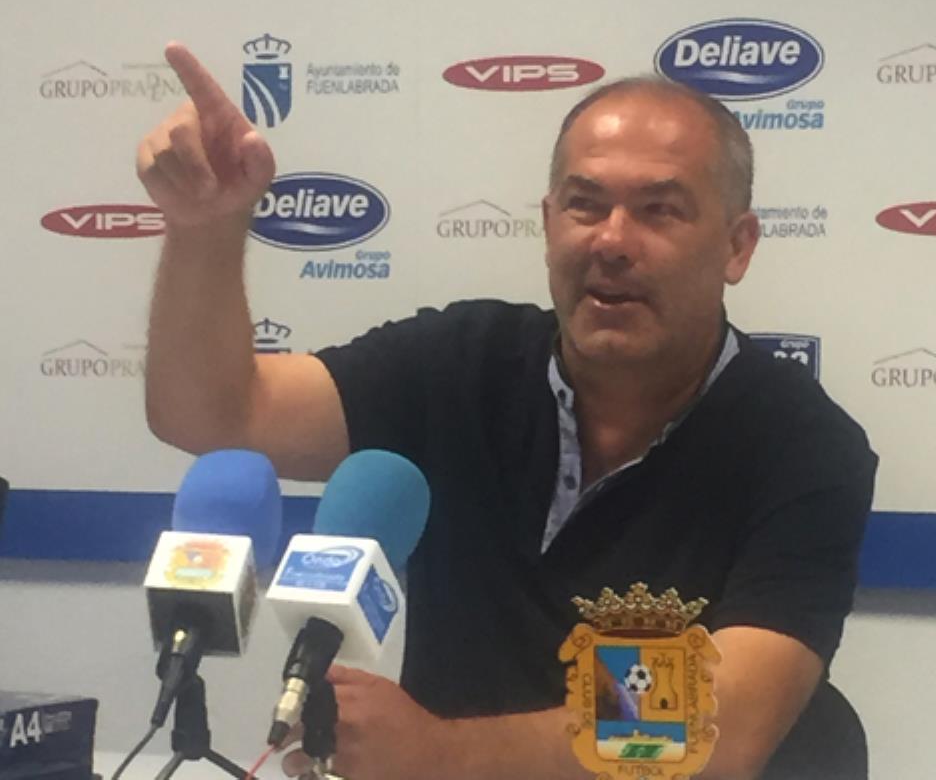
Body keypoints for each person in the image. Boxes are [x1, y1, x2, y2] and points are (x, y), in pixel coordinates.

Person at [137, 42, 877, 780]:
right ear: (549, 224)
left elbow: (727, 725)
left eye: (660, 210)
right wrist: (205, 227)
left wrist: (443, 753)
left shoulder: (802, 445)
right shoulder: (459, 363)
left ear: (737, 247)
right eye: (586, 205)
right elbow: (214, 415)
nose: (612, 240)